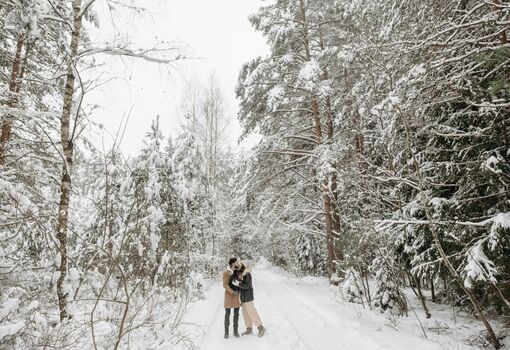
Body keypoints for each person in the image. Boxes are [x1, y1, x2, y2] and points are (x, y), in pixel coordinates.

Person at [232, 261, 266, 337]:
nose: (240, 267)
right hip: (243, 298)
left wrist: (239, 284)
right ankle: (249, 328)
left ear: (245, 266)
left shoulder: (247, 274)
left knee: (252, 312)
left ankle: (261, 327)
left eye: (241, 265)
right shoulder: (242, 273)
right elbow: (241, 284)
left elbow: (247, 286)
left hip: (248, 297)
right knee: (245, 314)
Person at [223, 257, 241, 339]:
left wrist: (240, 280)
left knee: (236, 314)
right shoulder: (226, 272)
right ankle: (226, 332)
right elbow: (225, 284)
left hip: (236, 295)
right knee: (227, 314)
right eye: (236, 262)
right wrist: (232, 291)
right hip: (229, 295)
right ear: (232, 263)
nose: (237, 263)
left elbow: (241, 281)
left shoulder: (238, 271)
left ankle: (235, 331)